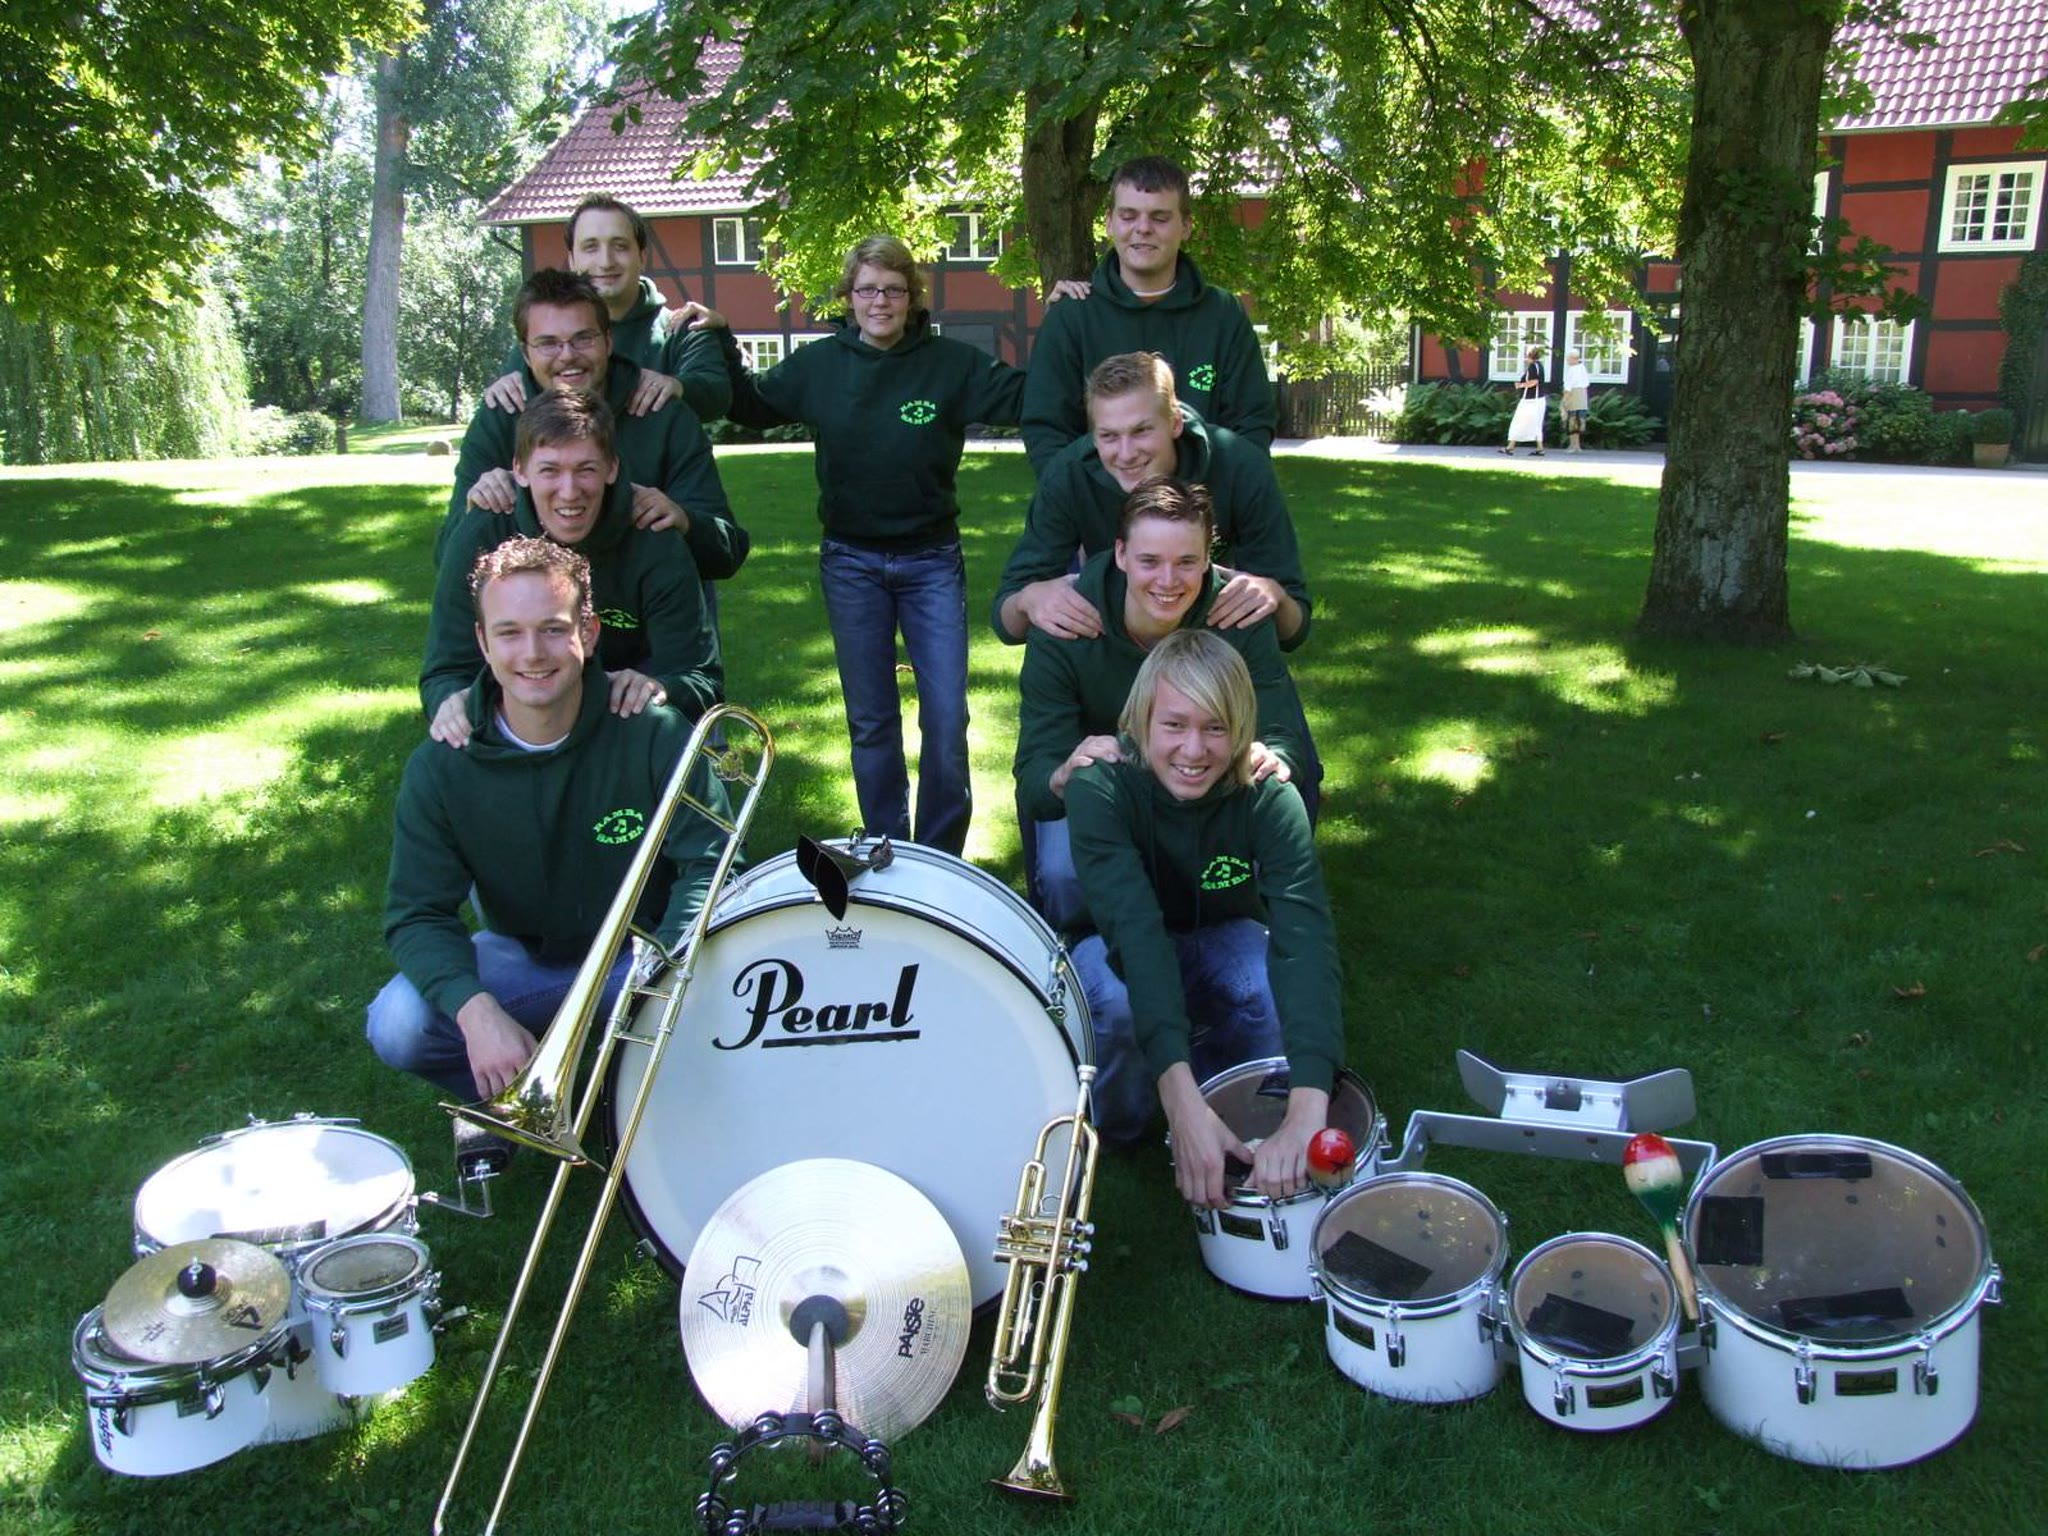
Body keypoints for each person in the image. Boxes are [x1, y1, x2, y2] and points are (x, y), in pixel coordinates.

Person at [675, 235, 1023, 855]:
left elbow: (1030, 396)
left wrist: (1075, 321)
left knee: (947, 720)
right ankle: (888, 847)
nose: (880, 301)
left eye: (893, 289)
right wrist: (724, 337)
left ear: (911, 296)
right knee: (871, 721)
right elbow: (751, 402)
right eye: (867, 290)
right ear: (848, 297)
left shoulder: (950, 365)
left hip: (932, 561)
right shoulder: (821, 365)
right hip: (851, 563)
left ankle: (939, 857)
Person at [367, 537, 725, 1103]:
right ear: (483, 642)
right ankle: (524, 1102)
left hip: (640, 956)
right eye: (509, 632)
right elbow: (418, 913)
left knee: (736, 999)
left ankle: (625, 1087)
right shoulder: (442, 765)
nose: (533, 653)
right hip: (526, 959)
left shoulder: (653, 732)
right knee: (398, 1023)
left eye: (554, 629)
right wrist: (475, 1011)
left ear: (589, 632)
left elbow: (711, 864)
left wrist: (661, 971)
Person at [1063, 629, 1343, 1207]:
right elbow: (1136, 936)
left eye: (1215, 728)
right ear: (1141, 720)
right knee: (1115, 1002)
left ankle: (1247, 1117)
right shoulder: (1100, 785)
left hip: (1219, 933)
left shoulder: (1268, 795)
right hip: (1111, 943)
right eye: (1174, 725)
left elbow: (1305, 941)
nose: (1193, 750)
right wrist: (1180, 1104)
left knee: (1264, 983)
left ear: (1241, 729)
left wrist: (1309, 1106)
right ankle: (1121, 1132)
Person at [997, 351, 1323, 821]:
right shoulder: (1069, 473)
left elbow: (1295, 628)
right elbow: (1006, 621)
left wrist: (1273, 595)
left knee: (1293, 773)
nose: (1125, 452)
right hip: (1109, 644)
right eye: (1108, 435)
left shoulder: (1238, 464)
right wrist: (1029, 598)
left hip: (1212, 642)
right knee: (1061, 801)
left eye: (1141, 431)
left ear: (1175, 422)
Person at [1013, 477, 1301, 926]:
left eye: (1186, 562)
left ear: (1207, 558)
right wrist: (1062, 775)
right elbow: (1034, 774)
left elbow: (1284, 735)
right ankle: (1078, 952)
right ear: (1121, 554)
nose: (1168, 581)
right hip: (1104, 789)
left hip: (1205, 781)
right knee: (1063, 872)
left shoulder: (1239, 612)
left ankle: (1219, 941)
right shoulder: (1064, 618)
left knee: (1254, 859)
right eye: (1149, 561)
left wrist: (1272, 756)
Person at [423, 389, 721, 746]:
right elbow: (445, 670)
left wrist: (661, 689)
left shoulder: (654, 535)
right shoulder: (482, 533)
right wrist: (449, 703)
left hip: (626, 713)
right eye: (549, 470)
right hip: (518, 710)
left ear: (612, 468)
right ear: (519, 470)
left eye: (586, 470)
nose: (569, 492)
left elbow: (701, 678)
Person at [440, 270, 747, 604]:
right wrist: (474, 514)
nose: (567, 355)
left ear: (608, 340)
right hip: (538, 620)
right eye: (548, 343)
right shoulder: (500, 415)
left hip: (652, 617)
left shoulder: (664, 415)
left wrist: (686, 521)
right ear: (525, 354)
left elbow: (728, 552)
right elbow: (446, 555)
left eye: (583, 338)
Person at [1020, 156, 1274, 473]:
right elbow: (1047, 431)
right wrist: (1089, 494)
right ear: (1109, 222)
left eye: (1160, 218)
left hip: (1203, 501)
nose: (1142, 228)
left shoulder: (1222, 314)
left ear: (1186, 226)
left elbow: (1252, 424)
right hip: (1097, 500)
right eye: (1128, 216)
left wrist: (1203, 497)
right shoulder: (1072, 317)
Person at [480, 194, 731, 425]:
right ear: (572, 259)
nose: (606, 261)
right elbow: (509, 409)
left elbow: (718, 394)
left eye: (620, 246)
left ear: (642, 256)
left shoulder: (683, 328)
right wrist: (500, 391)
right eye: (591, 247)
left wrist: (677, 386)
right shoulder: (544, 338)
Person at [1501, 345, 1548, 456]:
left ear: (1529, 355)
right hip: (1538, 400)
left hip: (1530, 400)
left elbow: (1534, 382)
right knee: (1536, 424)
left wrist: (1520, 385)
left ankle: (1510, 447)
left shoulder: (1533, 367)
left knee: (1518, 421)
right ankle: (1540, 448)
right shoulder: (1539, 365)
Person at [1560, 349, 1592, 454]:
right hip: (1582, 396)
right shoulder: (1582, 368)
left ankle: (1574, 445)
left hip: (1573, 395)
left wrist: (1563, 401)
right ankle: (1576, 445)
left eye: (1568, 359)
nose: (1567, 361)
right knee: (1577, 421)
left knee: (1572, 421)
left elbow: (1568, 387)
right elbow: (1586, 383)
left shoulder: (1572, 370)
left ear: (1573, 359)